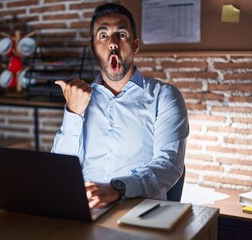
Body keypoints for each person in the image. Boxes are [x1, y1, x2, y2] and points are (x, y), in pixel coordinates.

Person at [52, 3, 189, 209]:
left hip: (140, 208)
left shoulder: (165, 96)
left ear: (135, 45)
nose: (113, 44)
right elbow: (60, 169)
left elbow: (168, 165)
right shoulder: (79, 98)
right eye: (103, 36)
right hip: (86, 206)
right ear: (93, 47)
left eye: (121, 34)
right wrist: (73, 112)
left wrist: (118, 189)